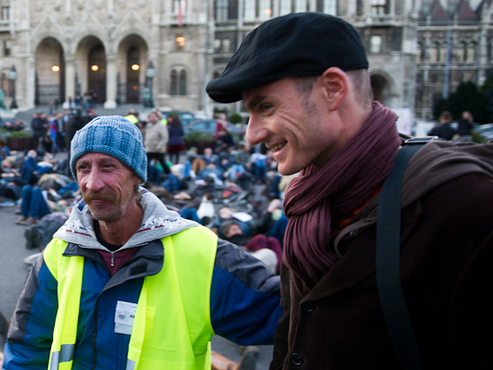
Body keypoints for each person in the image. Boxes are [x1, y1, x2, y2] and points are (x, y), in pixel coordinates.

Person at [205, 12, 493, 369]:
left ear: (333, 89)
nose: (252, 134)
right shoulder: (309, 202)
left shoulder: (464, 204)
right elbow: (292, 337)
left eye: (265, 107)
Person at [3, 116, 281, 368]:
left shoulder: (201, 252)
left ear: (137, 174)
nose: (92, 182)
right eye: (83, 168)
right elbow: (26, 350)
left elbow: (289, 316)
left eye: (107, 166)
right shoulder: (57, 253)